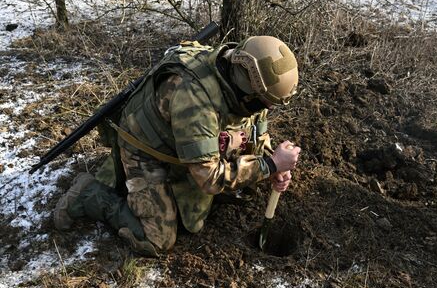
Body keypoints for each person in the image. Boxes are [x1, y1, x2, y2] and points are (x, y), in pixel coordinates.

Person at [53, 36, 301, 257]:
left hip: (181, 140)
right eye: (263, 102)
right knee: (157, 240)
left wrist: (272, 159)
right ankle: (88, 194)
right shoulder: (195, 99)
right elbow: (210, 179)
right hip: (147, 151)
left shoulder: (239, 77)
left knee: (239, 187)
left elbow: (256, 128)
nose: (266, 109)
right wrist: (269, 165)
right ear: (248, 86)